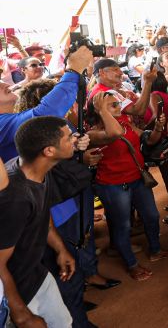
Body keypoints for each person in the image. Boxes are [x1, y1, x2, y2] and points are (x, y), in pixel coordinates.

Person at [0, 117, 88, 328]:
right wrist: (21, 313)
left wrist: (60, 249)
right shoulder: (16, 198)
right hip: (16, 291)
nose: (74, 141)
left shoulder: (38, 172)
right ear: (49, 151)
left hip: (36, 275)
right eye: (68, 138)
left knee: (64, 323)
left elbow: (42, 213)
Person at [86, 90, 168, 280]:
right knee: (123, 226)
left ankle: (155, 250)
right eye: (113, 105)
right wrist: (102, 110)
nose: (120, 107)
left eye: (117, 103)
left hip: (137, 178)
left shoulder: (125, 123)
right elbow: (114, 133)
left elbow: (149, 139)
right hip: (113, 185)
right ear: (99, 110)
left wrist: (158, 128)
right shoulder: (92, 133)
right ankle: (131, 264)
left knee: (151, 216)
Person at [0, 46, 93, 161]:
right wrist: (73, 70)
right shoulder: (1, 123)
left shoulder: (11, 118)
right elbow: (43, 115)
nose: (5, 85)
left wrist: (69, 144)